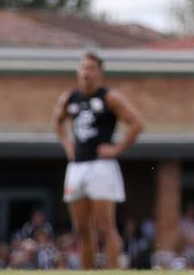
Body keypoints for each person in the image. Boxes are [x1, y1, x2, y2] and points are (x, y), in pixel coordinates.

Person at [52, 51, 145, 270]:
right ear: (78, 71)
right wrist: (68, 145)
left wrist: (116, 149)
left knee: (105, 226)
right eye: (83, 67)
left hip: (101, 166)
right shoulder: (69, 98)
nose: (86, 72)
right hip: (77, 166)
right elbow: (57, 123)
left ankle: (113, 269)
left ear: (99, 73)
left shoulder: (109, 97)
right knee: (83, 228)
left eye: (91, 68)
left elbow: (137, 123)